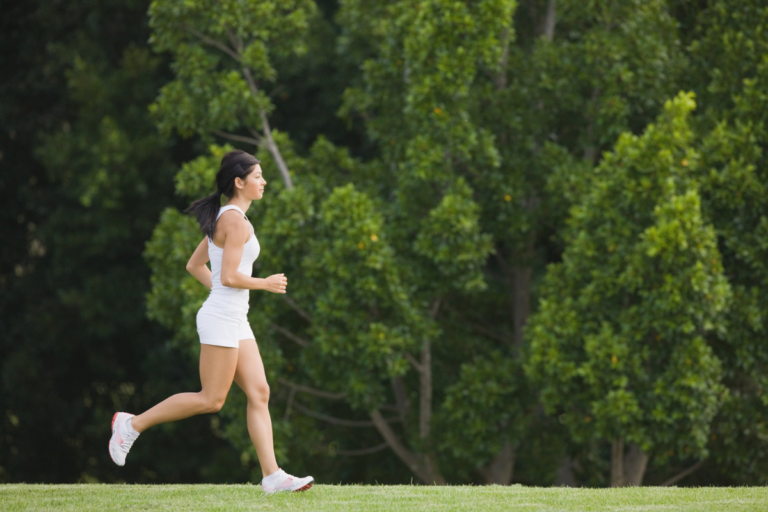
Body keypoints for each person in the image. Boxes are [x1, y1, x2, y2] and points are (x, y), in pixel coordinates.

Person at [108, 150, 313, 494]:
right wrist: (264, 283)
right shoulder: (233, 220)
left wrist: (223, 290)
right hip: (221, 317)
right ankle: (131, 424)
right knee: (211, 399)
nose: (264, 182)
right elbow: (230, 275)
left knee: (259, 392)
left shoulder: (230, 218)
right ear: (239, 182)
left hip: (234, 317)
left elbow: (196, 266)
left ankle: (272, 475)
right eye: (258, 176)